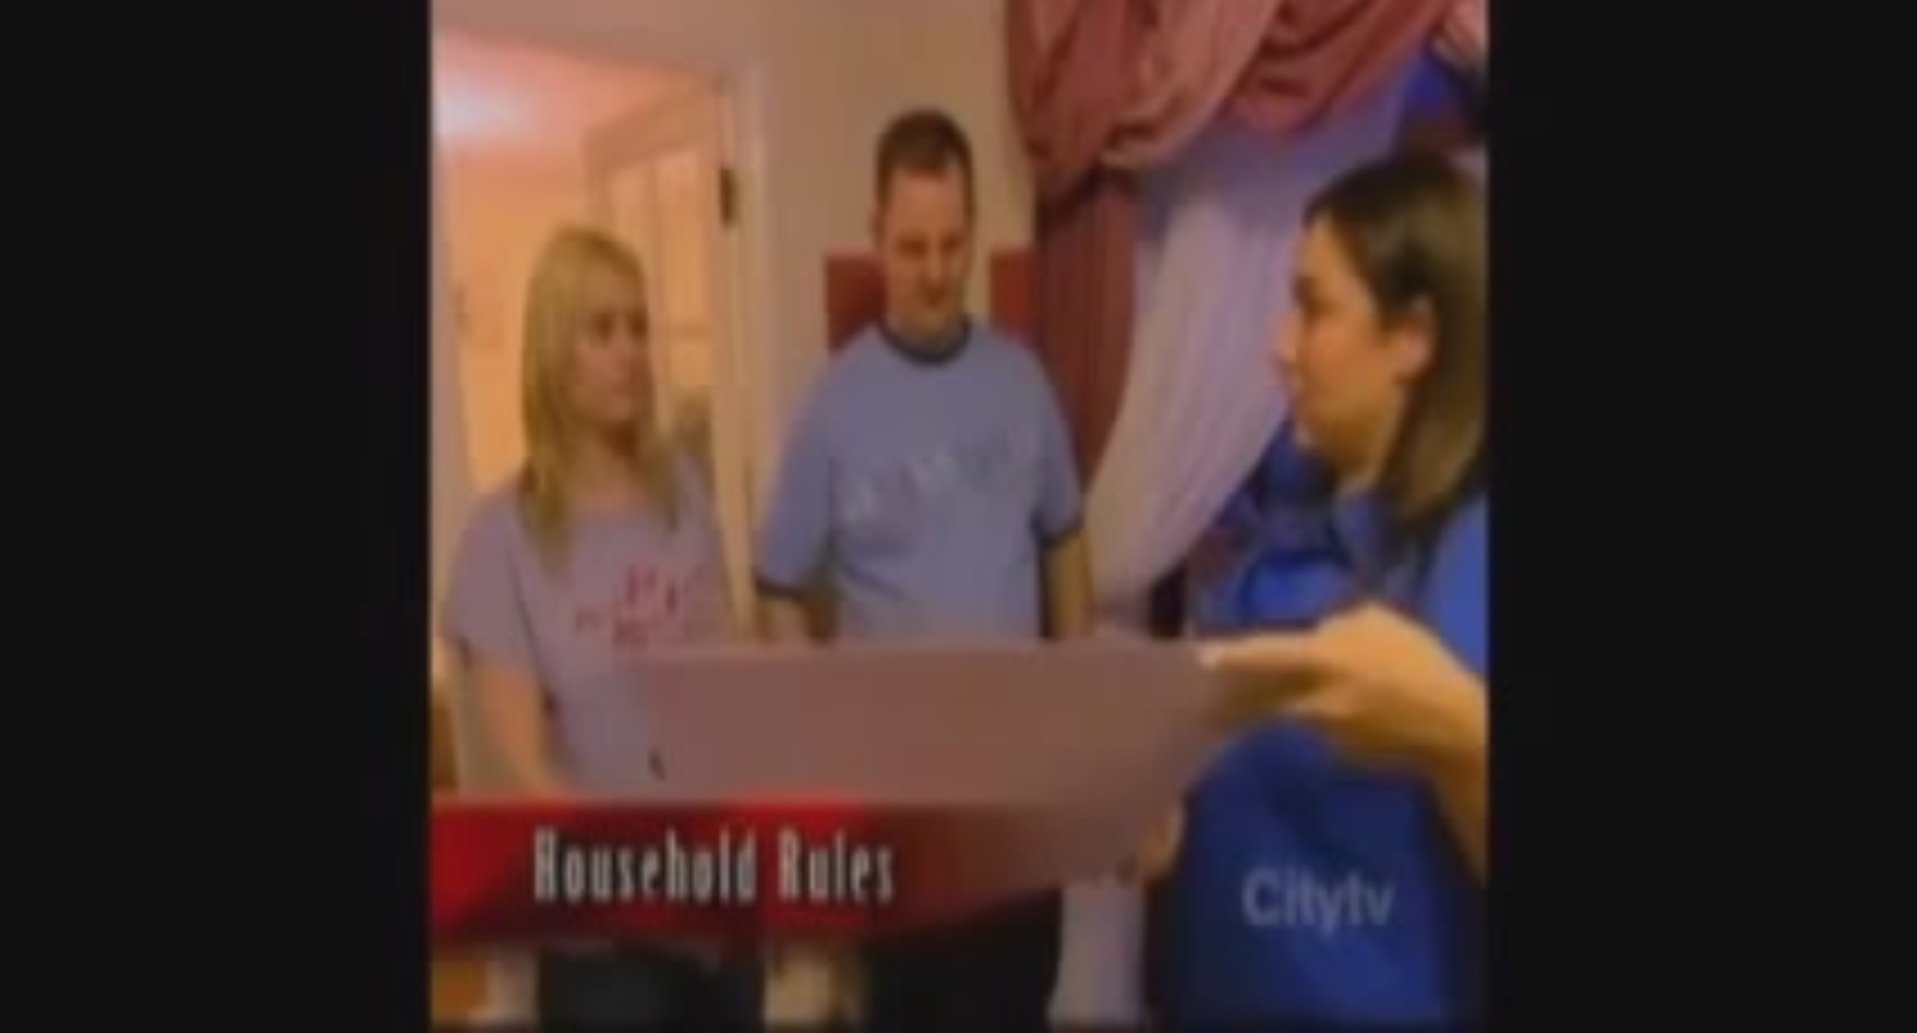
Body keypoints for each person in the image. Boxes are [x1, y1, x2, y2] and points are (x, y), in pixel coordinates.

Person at [754, 108, 1093, 1033]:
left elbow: (1064, 539)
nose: (936, 271)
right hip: (896, 811)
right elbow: (779, 587)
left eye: (952, 244)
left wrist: (1076, 700)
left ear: (971, 229)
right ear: (876, 237)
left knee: (1016, 1003)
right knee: (912, 1009)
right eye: (912, 248)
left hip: (1016, 801)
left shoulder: (1021, 381)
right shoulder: (832, 408)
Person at [1138, 152, 1487, 1026]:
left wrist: (1460, 733)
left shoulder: (1470, 555)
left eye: (1312, 306)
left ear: (1412, 336)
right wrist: (1165, 815)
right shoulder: (1279, 533)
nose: (1278, 345)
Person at [439, 227, 762, 1029]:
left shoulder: (682, 493)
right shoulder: (502, 539)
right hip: (601, 947)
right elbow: (526, 769)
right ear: (556, 352)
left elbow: (731, 690)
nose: (629, 352)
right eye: (602, 329)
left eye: (638, 327)